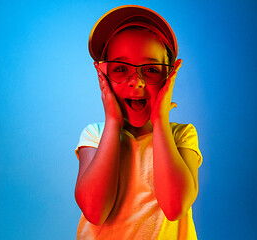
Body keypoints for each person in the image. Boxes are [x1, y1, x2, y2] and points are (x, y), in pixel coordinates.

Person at [74, 5, 203, 240]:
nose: (137, 82)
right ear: (103, 75)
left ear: (170, 75)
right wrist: (112, 122)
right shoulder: (94, 135)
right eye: (121, 69)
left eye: (152, 69)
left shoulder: (182, 136)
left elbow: (175, 208)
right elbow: (94, 211)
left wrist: (160, 120)